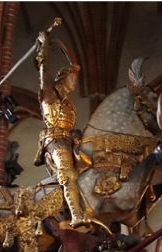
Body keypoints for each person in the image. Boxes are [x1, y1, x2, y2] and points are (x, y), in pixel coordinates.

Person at [34, 24, 104, 230]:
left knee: (92, 164)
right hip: (54, 140)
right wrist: (44, 48)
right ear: (64, 78)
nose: (75, 82)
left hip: (69, 138)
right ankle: (76, 215)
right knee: (68, 173)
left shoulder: (68, 101)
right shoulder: (50, 95)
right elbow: (43, 73)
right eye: (72, 78)